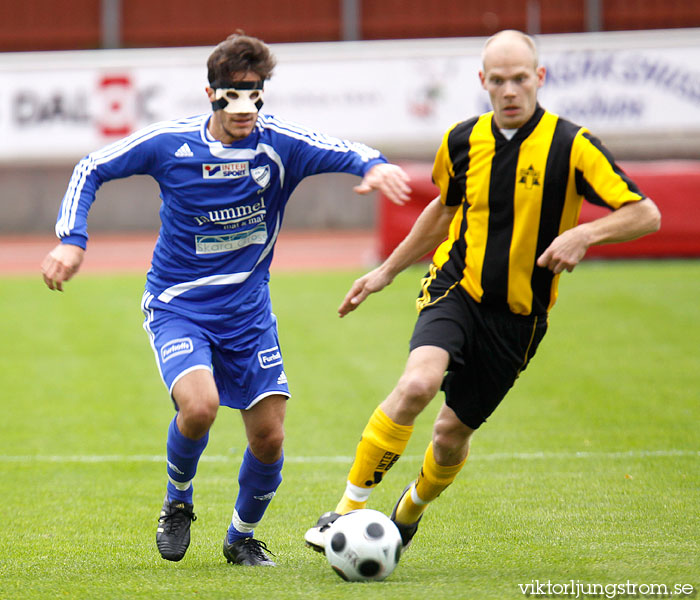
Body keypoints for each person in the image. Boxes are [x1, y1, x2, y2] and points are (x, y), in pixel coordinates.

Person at [41, 32, 411, 566]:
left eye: (254, 93)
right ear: (210, 92)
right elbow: (91, 166)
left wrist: (372, 166)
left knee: (269, 438)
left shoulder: (277, 144)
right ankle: (178, 501)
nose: (244, 106)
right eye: (231, 93)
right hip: (178, 306)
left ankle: (240, 537)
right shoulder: (171, 144)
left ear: (263, 93)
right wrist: (72, 240)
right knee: (200, 407)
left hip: (248, 315)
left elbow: (341, 148)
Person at [304, 29, 661, 552]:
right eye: (499, 80)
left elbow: (645, 213)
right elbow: (443, 210)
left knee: (449, 438)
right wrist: (385, 271)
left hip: (518, 317)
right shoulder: (461, 140)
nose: (510, 90)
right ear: (483, 83)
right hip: (456, 288)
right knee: (417, 384)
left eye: (520, 79)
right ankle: (344, 512)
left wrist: (584, 233)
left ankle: (408, 513)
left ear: (539, 78)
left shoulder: (572, 146)